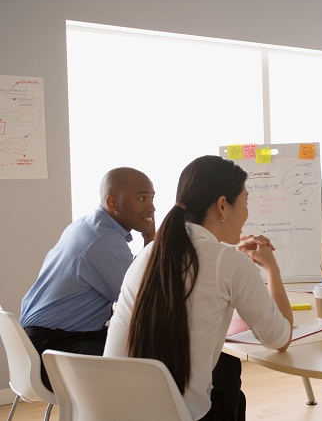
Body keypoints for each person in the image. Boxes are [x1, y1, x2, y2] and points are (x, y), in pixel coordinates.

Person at [103, 155, 293, 421]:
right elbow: (280, 338)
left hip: (112, 410)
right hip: (179, 415)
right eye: (246, 201)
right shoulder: (228, 262)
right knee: (230, 387)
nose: (248, 211)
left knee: (225, 372)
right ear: (223, 206)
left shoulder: (148, 255)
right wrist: (271, 269)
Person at [20, 167, 156, 390]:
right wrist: (151, 237)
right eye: (142, 198)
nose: (151, 207)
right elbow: (144, 298)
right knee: (159, 363)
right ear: (112, 203)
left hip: (44, 342)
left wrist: (150, 235)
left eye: (152, 198)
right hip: (55, 349)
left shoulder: (88, 225)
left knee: (152, 352)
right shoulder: (103, 240)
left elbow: (139, 282)